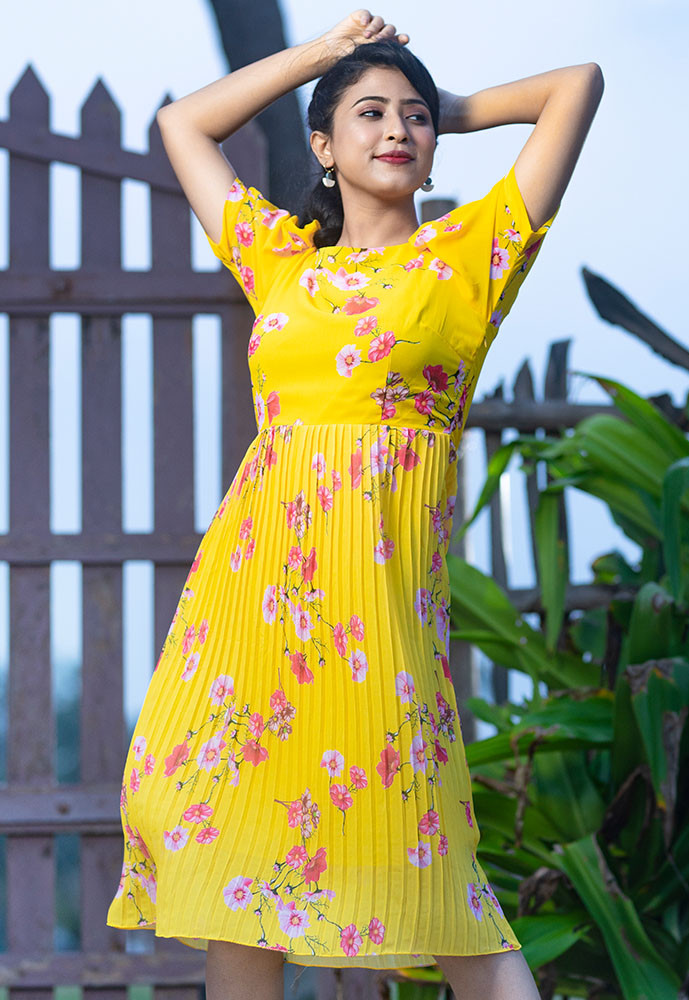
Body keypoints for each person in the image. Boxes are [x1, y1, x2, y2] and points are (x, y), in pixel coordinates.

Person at [105, 9, 603, 1000]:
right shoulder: (280, 259)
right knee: (233, 858)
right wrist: (328, 58)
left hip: (377, 614)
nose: (396, 129)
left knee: (430, 862)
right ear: (323, 147)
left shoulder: (470, 260)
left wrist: (445, 108)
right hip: (250, 615)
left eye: (410, 119)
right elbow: (183, 127)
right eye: (369, 117)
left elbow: (575, 84)